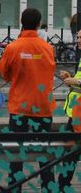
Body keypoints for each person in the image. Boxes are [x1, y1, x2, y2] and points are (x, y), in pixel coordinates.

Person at [0, 8, 56, 192]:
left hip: (20, 108)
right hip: (43, 107)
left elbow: (4, 73)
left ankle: (15, 188)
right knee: (45, 153)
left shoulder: (13, 47)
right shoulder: (48, 48)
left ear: (21, 22)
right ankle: (48, 188)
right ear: (39, 24)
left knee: (17, 154)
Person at [57, 28, 81, 191]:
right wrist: (70, 78)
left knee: (71, 152)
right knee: (70, 152)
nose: (78, 40)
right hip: (76, 113)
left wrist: (76, 82)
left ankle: (63, 184)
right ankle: (63, 183)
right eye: (78, 37)